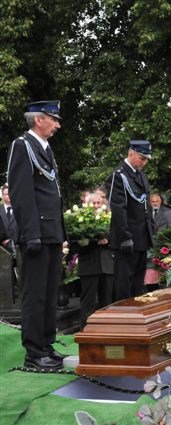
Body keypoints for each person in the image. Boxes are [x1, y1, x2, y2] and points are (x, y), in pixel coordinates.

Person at [7, 100, 66, 370]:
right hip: (36, 234)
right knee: (35, 294)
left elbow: (53, 194)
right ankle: (33, 351)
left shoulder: (45, 148)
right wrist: (31, 233)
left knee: (50, 292)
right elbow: (21, 193)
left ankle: (46, 343)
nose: (57, 125)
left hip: (51, 232)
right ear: (39, 119)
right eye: (54, 119)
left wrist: (60, 232)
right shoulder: (23, 145)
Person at [108, 140, 155, 301]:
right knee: (124, 284)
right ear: (131, 153)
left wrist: (151, 233)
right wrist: (125, 237)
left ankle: (136, 313)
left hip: (142, 238)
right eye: (142, 158)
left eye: (146, 159)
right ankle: (124, 315)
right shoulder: (119, 175)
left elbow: (146, 208)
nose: (144, 162)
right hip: (127, 240)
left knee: (138, 284)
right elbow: (118, 209)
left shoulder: (141, 176)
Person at [76, 193, 114, 327]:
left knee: (107, 301)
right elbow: (75, 244)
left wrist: (108, 240)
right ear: (87, 205)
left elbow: (118, 239)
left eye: (99, 203)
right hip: (89, 265)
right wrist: (92, 240)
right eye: (94, 203)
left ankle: (107, 330)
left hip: (107, 266)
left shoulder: (110, 218)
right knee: (88, 301)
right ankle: (86, 329)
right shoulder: (80, 220)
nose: (96, 206)